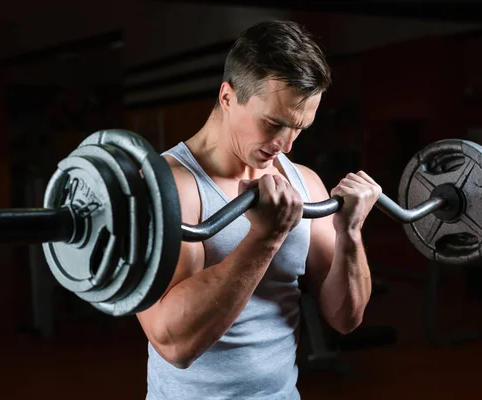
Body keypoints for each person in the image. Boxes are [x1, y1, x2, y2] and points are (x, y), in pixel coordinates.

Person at [136, 19, 381, 400]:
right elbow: (174, 344)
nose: (285, 144)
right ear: (227, 97)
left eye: (299, 128)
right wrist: (265, 238)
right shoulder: (169, 188)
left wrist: (350, 234)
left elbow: (346, 319)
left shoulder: (305, 183)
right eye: (272, 123)